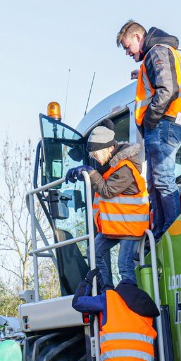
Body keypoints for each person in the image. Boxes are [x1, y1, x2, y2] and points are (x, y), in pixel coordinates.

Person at [116, 20, 181, 237]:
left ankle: (171, 232)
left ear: (138, 37)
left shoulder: (157, 53)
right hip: (169, 121)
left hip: (165, 122)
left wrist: (150, 120)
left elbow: (166, 89)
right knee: (155, 182)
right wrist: (141, 73)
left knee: (161, 179)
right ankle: (162, 233)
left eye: (127, 46)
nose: (127, 52)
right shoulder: (156, 55)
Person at [65, 121, 149, 285]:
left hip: (131, 227)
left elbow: (108, 190)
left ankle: (129, 298)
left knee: (124, 265)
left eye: (97, 153)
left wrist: (91, 172)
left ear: (110, 148)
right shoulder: (110, 166)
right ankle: (108, 291)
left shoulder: (126, 168)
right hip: (117, 225)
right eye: (92, 155)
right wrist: (83, 170)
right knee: (94, 252)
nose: (94, 157)